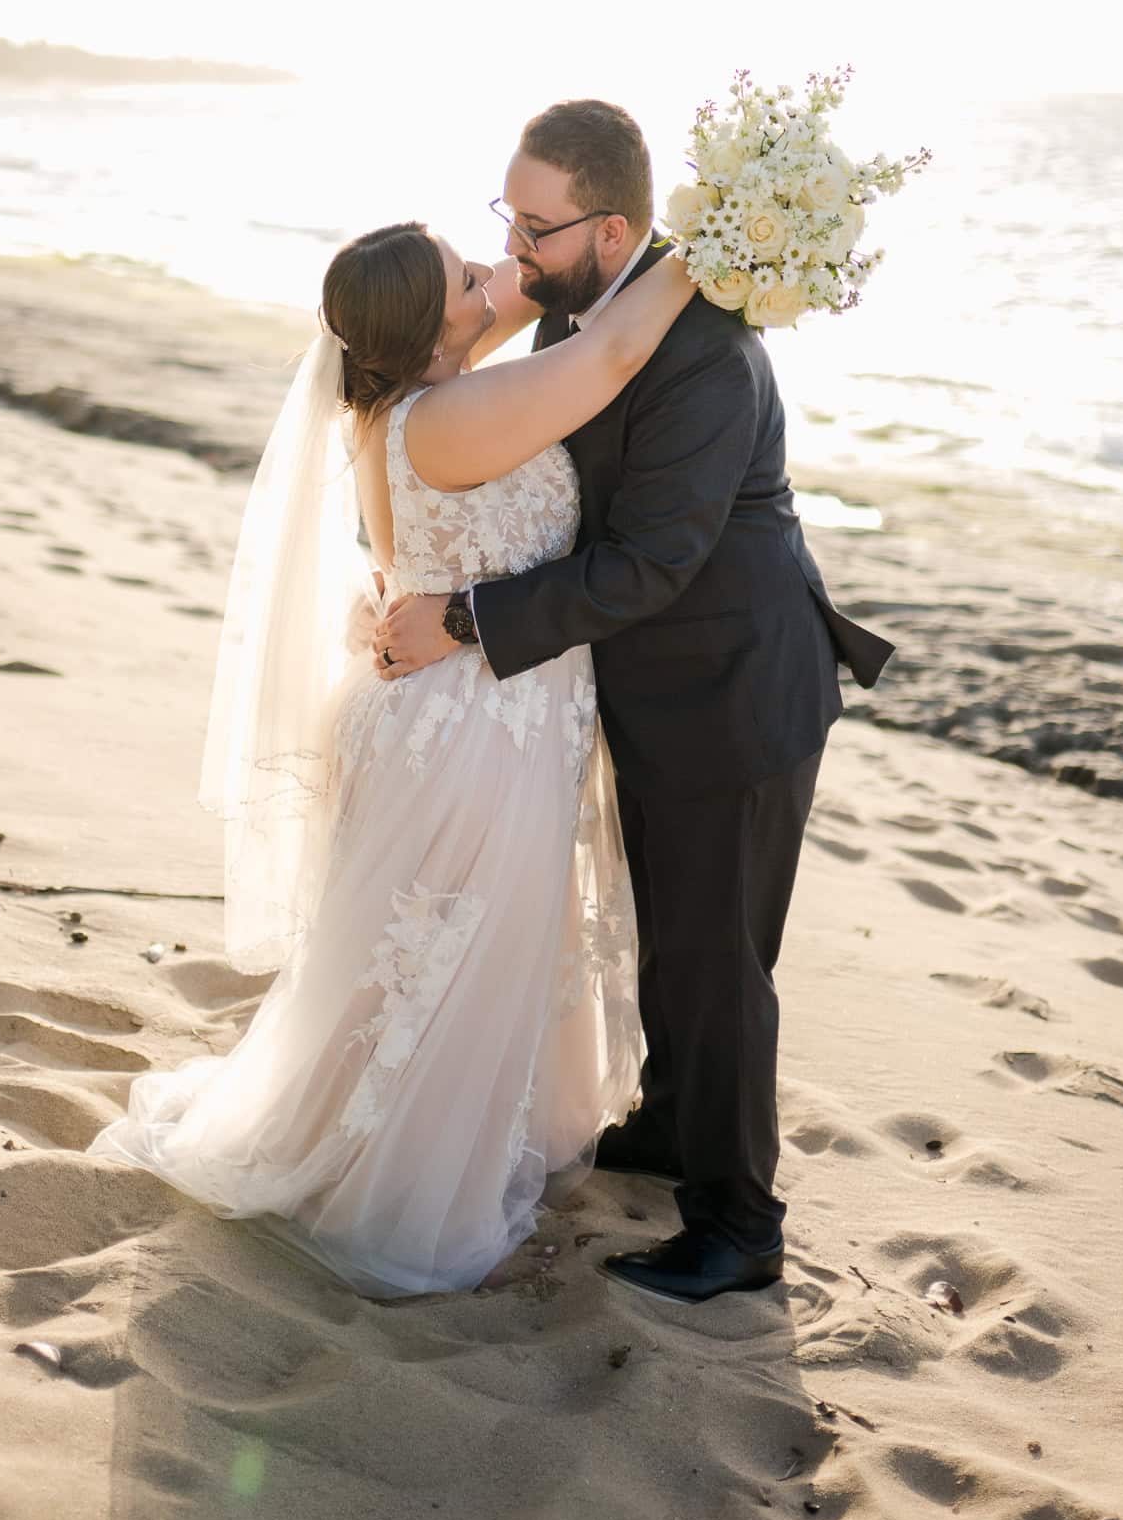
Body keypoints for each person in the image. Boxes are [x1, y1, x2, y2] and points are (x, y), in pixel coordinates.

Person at [87, 216, 700, 1298]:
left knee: (413, 962)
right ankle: (401, 1190)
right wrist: (719, 235)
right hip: (472, 731)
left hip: (450, 715)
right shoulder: (453, 414)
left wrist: (563, 239)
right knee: (447, 962)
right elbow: (609, 352)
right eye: (467, 275)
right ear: (428, 334)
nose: (493, 275)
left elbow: (520, 293)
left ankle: (386, 1139)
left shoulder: (406, 396)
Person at [377, 101, 893, 1306]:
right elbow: (429, 360)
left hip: (733, 687)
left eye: (535, 226)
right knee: (675, 932)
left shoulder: (702, 349)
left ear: (610, 231)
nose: (512, 249)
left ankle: (737, 1223)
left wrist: (462, 622)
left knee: (717, 961)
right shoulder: (585, 304)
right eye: (504, 218)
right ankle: (670, 1132)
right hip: (656, 687)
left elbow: (650, 562)